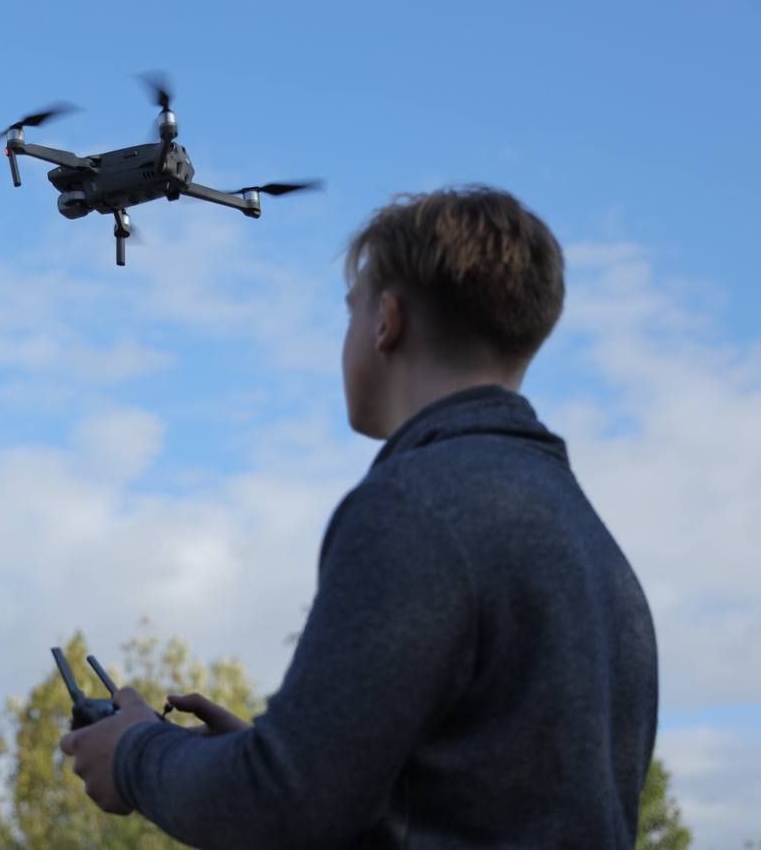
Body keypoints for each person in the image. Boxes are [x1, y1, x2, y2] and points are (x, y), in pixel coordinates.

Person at [60, 185, 659, 848]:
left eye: (352, 310)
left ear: (386, 322)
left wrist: (134, 755)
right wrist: (278, 750)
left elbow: (281, 804)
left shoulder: (413, 507)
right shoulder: (594, 546)